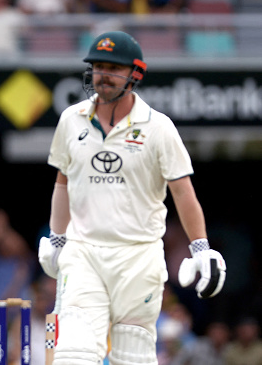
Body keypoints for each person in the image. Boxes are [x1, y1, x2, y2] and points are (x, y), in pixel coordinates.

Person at [38, 31, 227, 364]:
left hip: (139, 257)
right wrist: (56, 237)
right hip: (84, 253)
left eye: (113, 67)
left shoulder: (159, 128)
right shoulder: (71, 120)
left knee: (133, 357)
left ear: (135, 73)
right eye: (97, 66)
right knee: (74, 354)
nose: (103, 75)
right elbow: (63, 183)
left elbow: (182, 191)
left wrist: (201, 248)